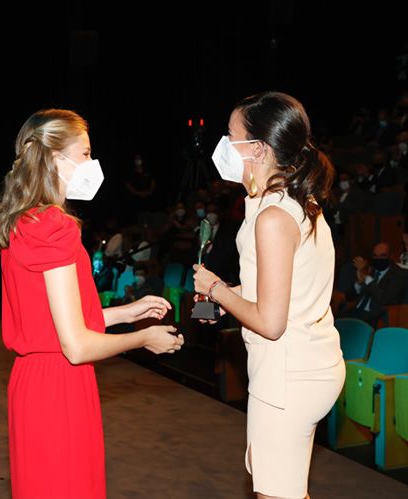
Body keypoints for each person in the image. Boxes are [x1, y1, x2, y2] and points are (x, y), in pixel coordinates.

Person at [0, 109, 183, 498]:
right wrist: (142, 339)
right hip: (59, 384)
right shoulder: (54, 227)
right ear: (56, 158)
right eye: (85, 153)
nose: (92, 164)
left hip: (32, 380)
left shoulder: (23, 221)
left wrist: (127, 313)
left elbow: (55, 320)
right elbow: (75, 345)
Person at [193, 92, 344, 499]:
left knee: (276, 494)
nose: (224, 146)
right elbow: (276, 289)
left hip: (288, 373)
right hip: (305, 363)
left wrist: (216, 289)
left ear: (257, 148)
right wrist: (224, 301)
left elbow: (272, 323)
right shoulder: (289, 202)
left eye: (230, 135)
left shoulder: (273, 216)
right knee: (287, 488)